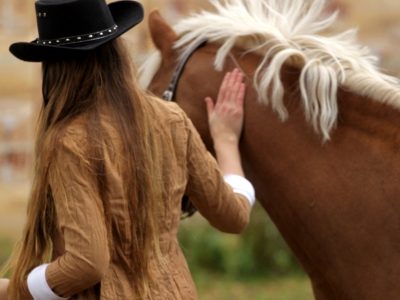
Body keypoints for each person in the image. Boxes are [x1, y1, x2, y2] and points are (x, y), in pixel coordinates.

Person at [0, 0, 255, 299]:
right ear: (115, 52)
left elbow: (86, 263)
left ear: (56, 67)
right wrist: (225, 142)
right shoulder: (172, 119)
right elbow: (234, 216)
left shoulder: (68, 141)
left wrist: (16, 289)